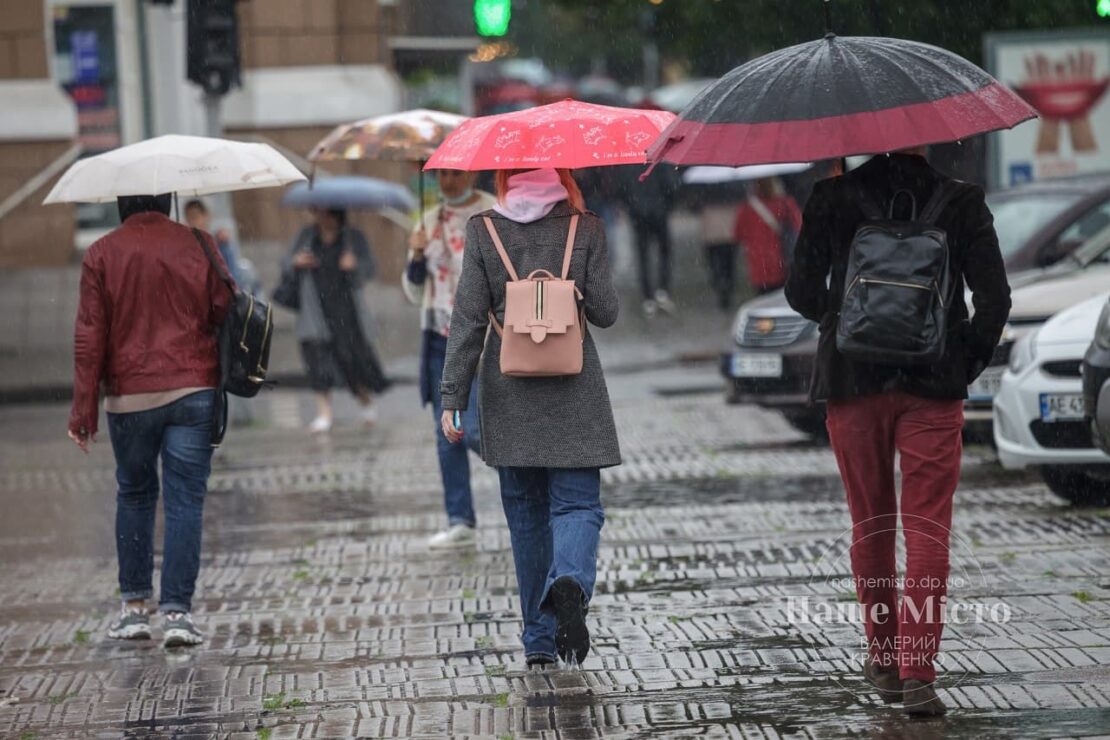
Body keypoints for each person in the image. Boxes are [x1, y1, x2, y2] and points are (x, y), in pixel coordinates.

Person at [784, 148, 1011, 716]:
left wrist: (845, 317)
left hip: (852, 380)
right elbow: (995, 299)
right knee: (928, 528)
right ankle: (919, 675)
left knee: (872, 522)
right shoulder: (961, 200)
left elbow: (801, 293)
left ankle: (883, 657)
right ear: (927, 134)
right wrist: (962, 360)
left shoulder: (833, 196)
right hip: (934, 381)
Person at [439, 168, 621, 667]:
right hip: (575, 393)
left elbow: (469, 320)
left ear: (505, 178)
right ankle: (570, 582)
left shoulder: (484, 229)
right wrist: (575, 287)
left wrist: (453, 395)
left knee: (525, 519)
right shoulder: (586, 228)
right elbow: (606, 312)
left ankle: (539, 642)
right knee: (578, 507)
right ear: (561, 176)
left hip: (510, 394)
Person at [69, 193, 232, 648]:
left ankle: (135, 609)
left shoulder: (101, 253)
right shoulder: (198, 243)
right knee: (185, 501)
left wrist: (83, 410)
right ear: (167, 201)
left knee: (136, 495)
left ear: (123, 204)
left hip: (130, 397)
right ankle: (178, 614)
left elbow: (89, 336)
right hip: (192, 389)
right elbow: (224, 306)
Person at [402, 170, 496, 548]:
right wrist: (418, 254)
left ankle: (520, 475)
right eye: (442, 173)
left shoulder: (492, 213)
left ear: (471, 173)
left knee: (473, 428)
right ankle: (459, 517)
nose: (448, 180)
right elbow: (412, 289)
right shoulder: (428, 221)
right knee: (448, 434)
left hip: (484, 337)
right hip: (439, 337)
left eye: (456, 173)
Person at [283, 208, 389, 434]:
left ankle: (365, 401)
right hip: (315, 308)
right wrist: (297, 261)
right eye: (320, 212)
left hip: (346, 310)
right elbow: (286, 263)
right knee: (317, 360)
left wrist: (354, 265)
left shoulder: (352, 237)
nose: (323, 218)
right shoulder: (306, 236)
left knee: (351, 360)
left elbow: (369, 268)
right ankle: (324, 413)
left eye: (329, 213)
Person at [615, 165, 679, 317]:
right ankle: (662, 290)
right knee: (665, 251)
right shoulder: (660, 163)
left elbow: (621, 190)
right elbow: (672, 185)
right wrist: (666, 205)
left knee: (643, 255)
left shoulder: (628, 166)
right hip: (659, 212)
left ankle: (648, 297)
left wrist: (632, 207)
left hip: (638, 214)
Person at [734, 177, 802, 295]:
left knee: (763, 299)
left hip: (758, 264)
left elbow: (737, 233)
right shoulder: (785, 203)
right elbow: (799, 226)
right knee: (782, 298)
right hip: (783, 260)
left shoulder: (747, 207)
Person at [698, 190, 743, 312]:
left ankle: (720, 284)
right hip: (729, 229)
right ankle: (727, 287)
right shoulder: (734, 186)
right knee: (729, 263)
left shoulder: (705, 186)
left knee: (715, 263)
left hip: (711, 231)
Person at [184, 198, 244, 286]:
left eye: (195, 217)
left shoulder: (220, 243)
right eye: (188, 218)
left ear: (205, 216)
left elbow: (233, 275)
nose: (192, 223)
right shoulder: (188, 247)